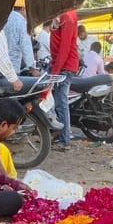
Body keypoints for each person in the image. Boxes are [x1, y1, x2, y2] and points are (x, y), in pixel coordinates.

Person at [50, 10, 79, 151]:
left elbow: (65, 48)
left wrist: (56, 70)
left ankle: (64, 140)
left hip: (65, 67)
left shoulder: (67, 17)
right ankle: (60, 135)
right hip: (61, 65)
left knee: (61, 103)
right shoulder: (62, 16)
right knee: (56, 103)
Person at [2, 7, 41, 76]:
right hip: (12, 67)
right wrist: (32, 69)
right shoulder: (21, 22)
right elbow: (26, 47)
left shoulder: (4, 17)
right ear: (23, 9)